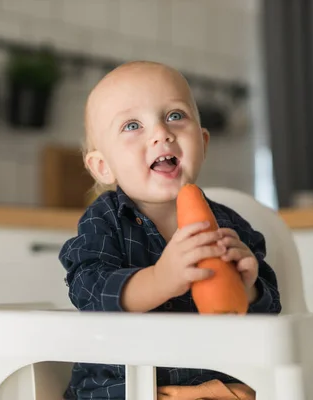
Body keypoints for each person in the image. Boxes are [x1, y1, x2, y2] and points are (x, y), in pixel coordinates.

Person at [58, 60, 281, 399]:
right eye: (132, 125)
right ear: (103, 166)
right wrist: (161, 279)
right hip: (125, 389)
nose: (162, 132)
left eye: (175, 116)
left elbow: (271, 312)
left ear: (203, 143)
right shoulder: (103, 221)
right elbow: (89, 292)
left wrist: (248, 288)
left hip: (217, 389)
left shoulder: (231, 226)